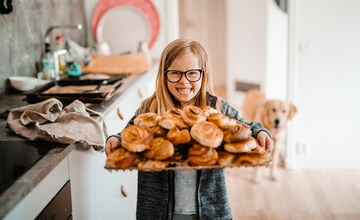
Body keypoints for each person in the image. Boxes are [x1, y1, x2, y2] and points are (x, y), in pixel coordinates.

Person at [105, 39, 273, 220]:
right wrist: (116, 139)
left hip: (209, 209)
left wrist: (260, 132)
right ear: (164, 74)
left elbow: (243, 127)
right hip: (158, 210)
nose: (184, 81)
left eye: (192, 73)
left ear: (203, 74)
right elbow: (129, 134)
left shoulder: (216, 108)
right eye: (175, 73)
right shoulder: (151, 109)